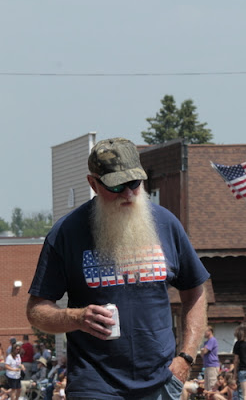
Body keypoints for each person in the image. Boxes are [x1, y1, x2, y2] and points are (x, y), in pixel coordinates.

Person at [25, 137, 210, 399]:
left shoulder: (166, 224)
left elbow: (196, 292)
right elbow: (36, 310)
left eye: (134, 183)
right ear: (93, 183)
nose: (128, 193)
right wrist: (76, 318)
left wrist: (186, 358)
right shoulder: (67, 232)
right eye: (116, 185)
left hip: (161, 384)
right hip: (95, 385)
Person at [202, 326, 221, 392]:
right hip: (207, 365)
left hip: (212, 365)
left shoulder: (212, 340)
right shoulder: (206, 342)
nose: (203, 333)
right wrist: (203, 350)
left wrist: (203, 350)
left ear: (209, 332)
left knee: (212, 386)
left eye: (205, 331)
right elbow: (202, 354)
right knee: (206, 387)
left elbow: (204, 351)